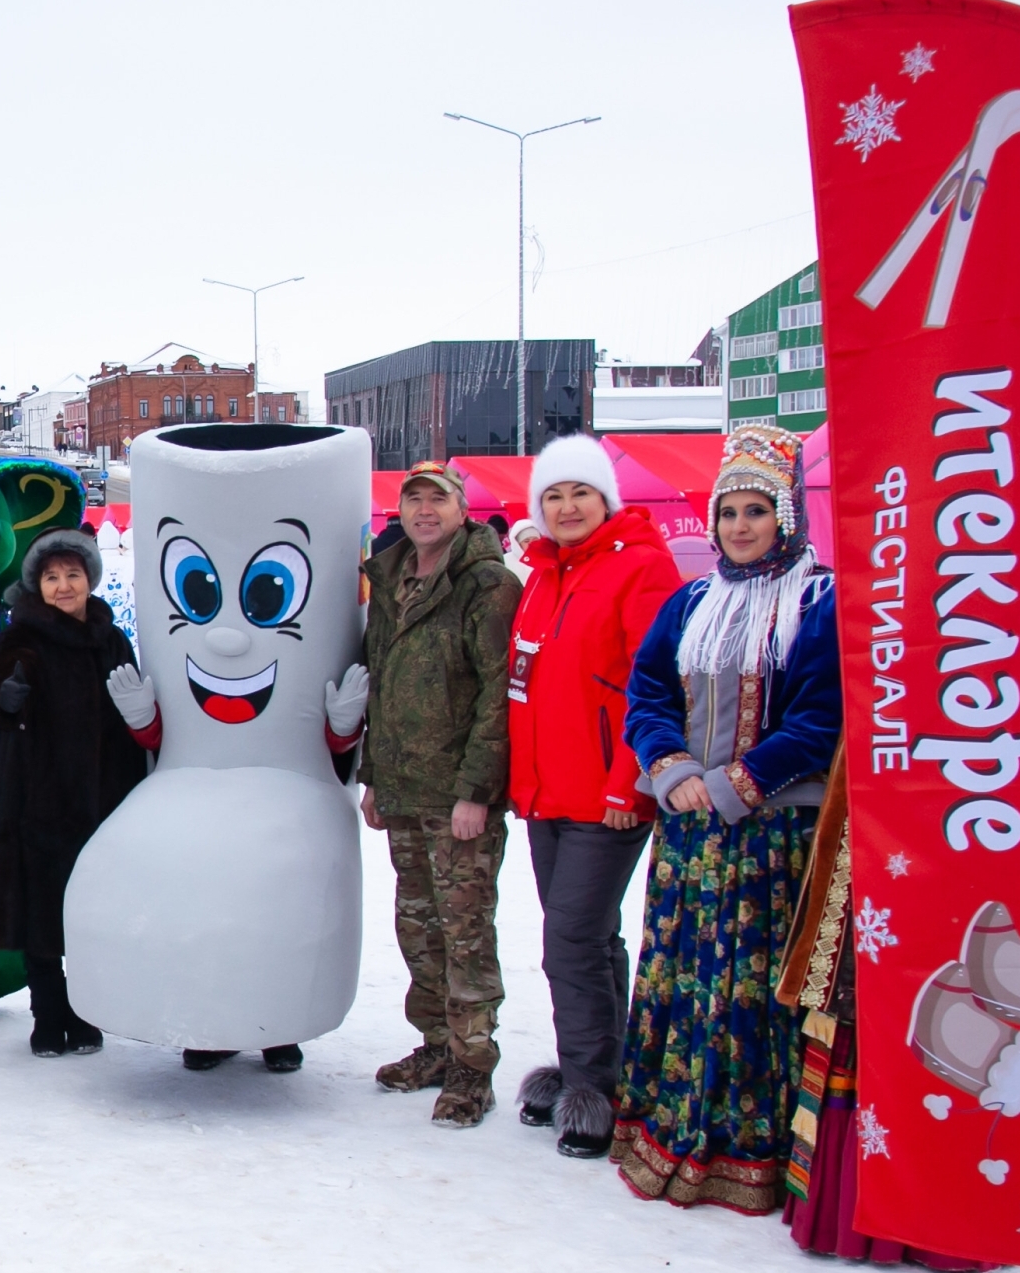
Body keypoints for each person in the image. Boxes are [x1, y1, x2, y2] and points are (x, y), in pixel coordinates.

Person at [613, 424, 838, 1214]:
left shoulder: (818, 599)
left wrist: (739, 783)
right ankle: (671, 1124)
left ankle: (748, 1149)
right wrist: (671, 770)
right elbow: (647, 694)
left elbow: (821, 717)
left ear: (788, 516)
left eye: (755, 511)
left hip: (770, 833)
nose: (739, 527)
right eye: (729, 513)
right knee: (683, 975)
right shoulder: (692, 601)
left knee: (747, 987)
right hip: (688, 829)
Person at [505, 435, 684, 1159]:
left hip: (607, 795)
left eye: (580, 493)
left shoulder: (641, 566)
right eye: (553, 496)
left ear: (605, 499)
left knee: (570, 940)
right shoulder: (544, 576)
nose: (567, 506)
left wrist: (629, 781)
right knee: (590, 937)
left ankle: (588, 1092)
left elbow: (659, 685)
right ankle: (603, 1073)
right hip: (551, 795)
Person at [773, 764, 994, 1272]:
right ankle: (850, 1211)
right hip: (885, 795)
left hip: (974, 796)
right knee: (869, 979)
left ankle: (943, 1221)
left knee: (953, 974)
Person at [355, 462, 517, 1126]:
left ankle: (472, 1068)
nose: (425, 510)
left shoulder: (487, 583)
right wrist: (372, 777)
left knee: (465, 931)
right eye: (413, 500)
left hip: (458, 796)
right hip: (403, 789)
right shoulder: (388, 580)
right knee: (418, 927)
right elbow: (379, 682)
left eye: (438, 499)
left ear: (461, 509)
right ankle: (435, 1045)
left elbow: (496, 695)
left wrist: (476, 790)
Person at [0, 526, 150, 1058]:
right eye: (52, 577)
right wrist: (10, 697)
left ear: (89, 581)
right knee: (42, 911)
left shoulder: (111, 637)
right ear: (39, 585)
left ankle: (84, 1014)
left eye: (72, 576)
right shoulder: (22, 635)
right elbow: (7, 696)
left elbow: (131, 709)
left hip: (104, 797)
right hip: (40, 797)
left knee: (90, 913)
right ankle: (46, 1015)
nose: (63, 586)